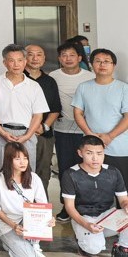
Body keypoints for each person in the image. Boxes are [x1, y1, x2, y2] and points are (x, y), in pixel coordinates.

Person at [61, 135, 128, 257]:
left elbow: (123, 199)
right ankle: (83, 240)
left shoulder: (113, 171)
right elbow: (69, 207)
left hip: (107, 217)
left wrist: (126, 205)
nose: (95, 158)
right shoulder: (70, 174)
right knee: (93, 248)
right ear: (80, 153)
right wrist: (86, 225)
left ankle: (122, 248)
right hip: (84, 218)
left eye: (99, 153)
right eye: (89, 153)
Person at [0, 44, 48, 173]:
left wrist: (27, 136)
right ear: (4, 63)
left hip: (26, 133)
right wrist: (1, 132)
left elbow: (38, 115)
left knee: (26, 173)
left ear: (25, 62)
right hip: (1, 132)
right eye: (11, 60)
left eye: (20, 60)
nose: (16, 64)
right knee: (2, 172)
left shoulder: (34, 86)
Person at [51, 40, 93, 222]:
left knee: (87, 167)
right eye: (64, 55)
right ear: (59, 58)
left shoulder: (90, 76)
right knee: (66, 169)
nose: (68, 58)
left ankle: (85, 205)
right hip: (62, 131)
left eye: (72, 55)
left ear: (80, 58)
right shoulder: (53, 76)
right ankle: (67, 206)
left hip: (86, 130)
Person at [74, 49, 128, 184]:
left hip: (119, 147)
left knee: (121, 185)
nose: (102, 65)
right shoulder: (83, 87)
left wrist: (110, 136)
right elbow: (78, 113)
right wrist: (89, 134)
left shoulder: (123, 88)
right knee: (94, 185)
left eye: (106, 61)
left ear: (113, 65)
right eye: (98, 61)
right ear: (92, 64)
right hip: (91, 146)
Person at [0, 142, 52, 257]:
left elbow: (42, 205)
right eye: (17, 159)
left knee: (29, 251)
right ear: (9, 160)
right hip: (7, 224)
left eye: (25, 158)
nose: (23, 162)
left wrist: (49, 218)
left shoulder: (34, 178)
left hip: (28, 220)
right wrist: (14, 226)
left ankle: (31, 244)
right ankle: (13, 244)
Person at [22, 44, 61, 197]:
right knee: (21, 170)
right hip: (22, 133)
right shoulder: (18, 78)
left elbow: (55, 109)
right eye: (30, 54)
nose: (35, 58)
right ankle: (20, 204)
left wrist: (44, 126)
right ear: (24, 58)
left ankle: (40, 204)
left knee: (43, 171)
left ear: (44, 59)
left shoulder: (50, 81)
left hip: (43, 134)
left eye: (39, 55)